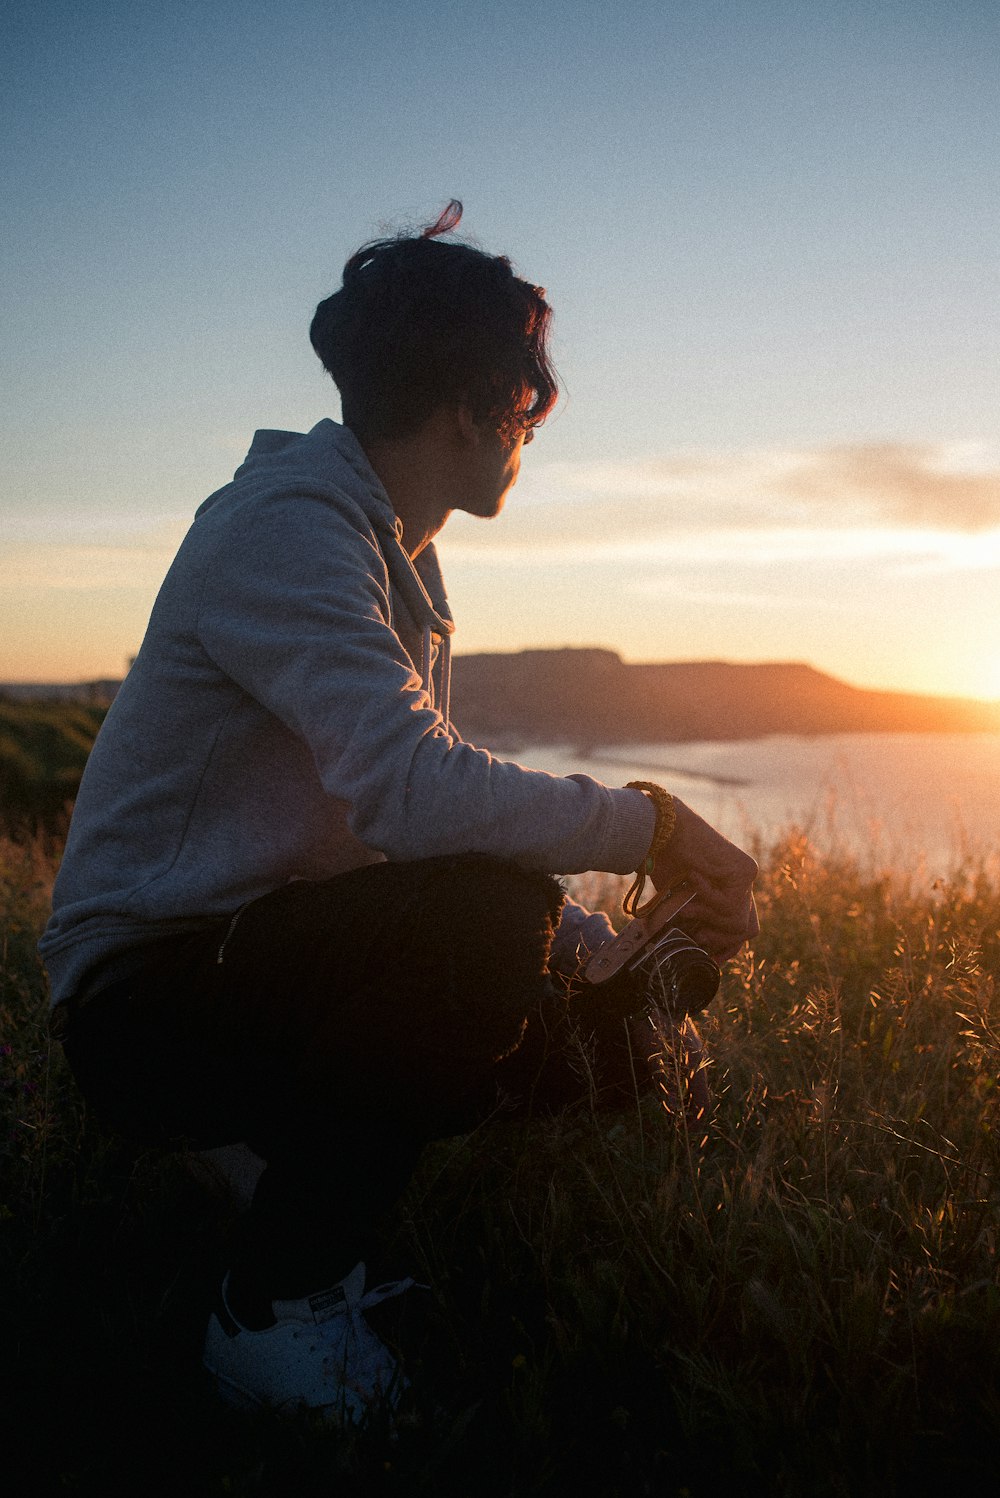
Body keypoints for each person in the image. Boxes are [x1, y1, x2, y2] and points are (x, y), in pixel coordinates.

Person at [40, 201, 758, 1424]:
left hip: (261, 954)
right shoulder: (286, 531)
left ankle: (271, 1166)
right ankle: (270, 1305)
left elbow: (396, 810)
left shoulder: (390, 549)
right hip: (143, 998)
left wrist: (592, 953)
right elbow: (418, 794)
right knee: (483, 925)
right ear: (482, 400)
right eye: (526, 406)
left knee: (602, 1043)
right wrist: (648, 824)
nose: (529, 435)